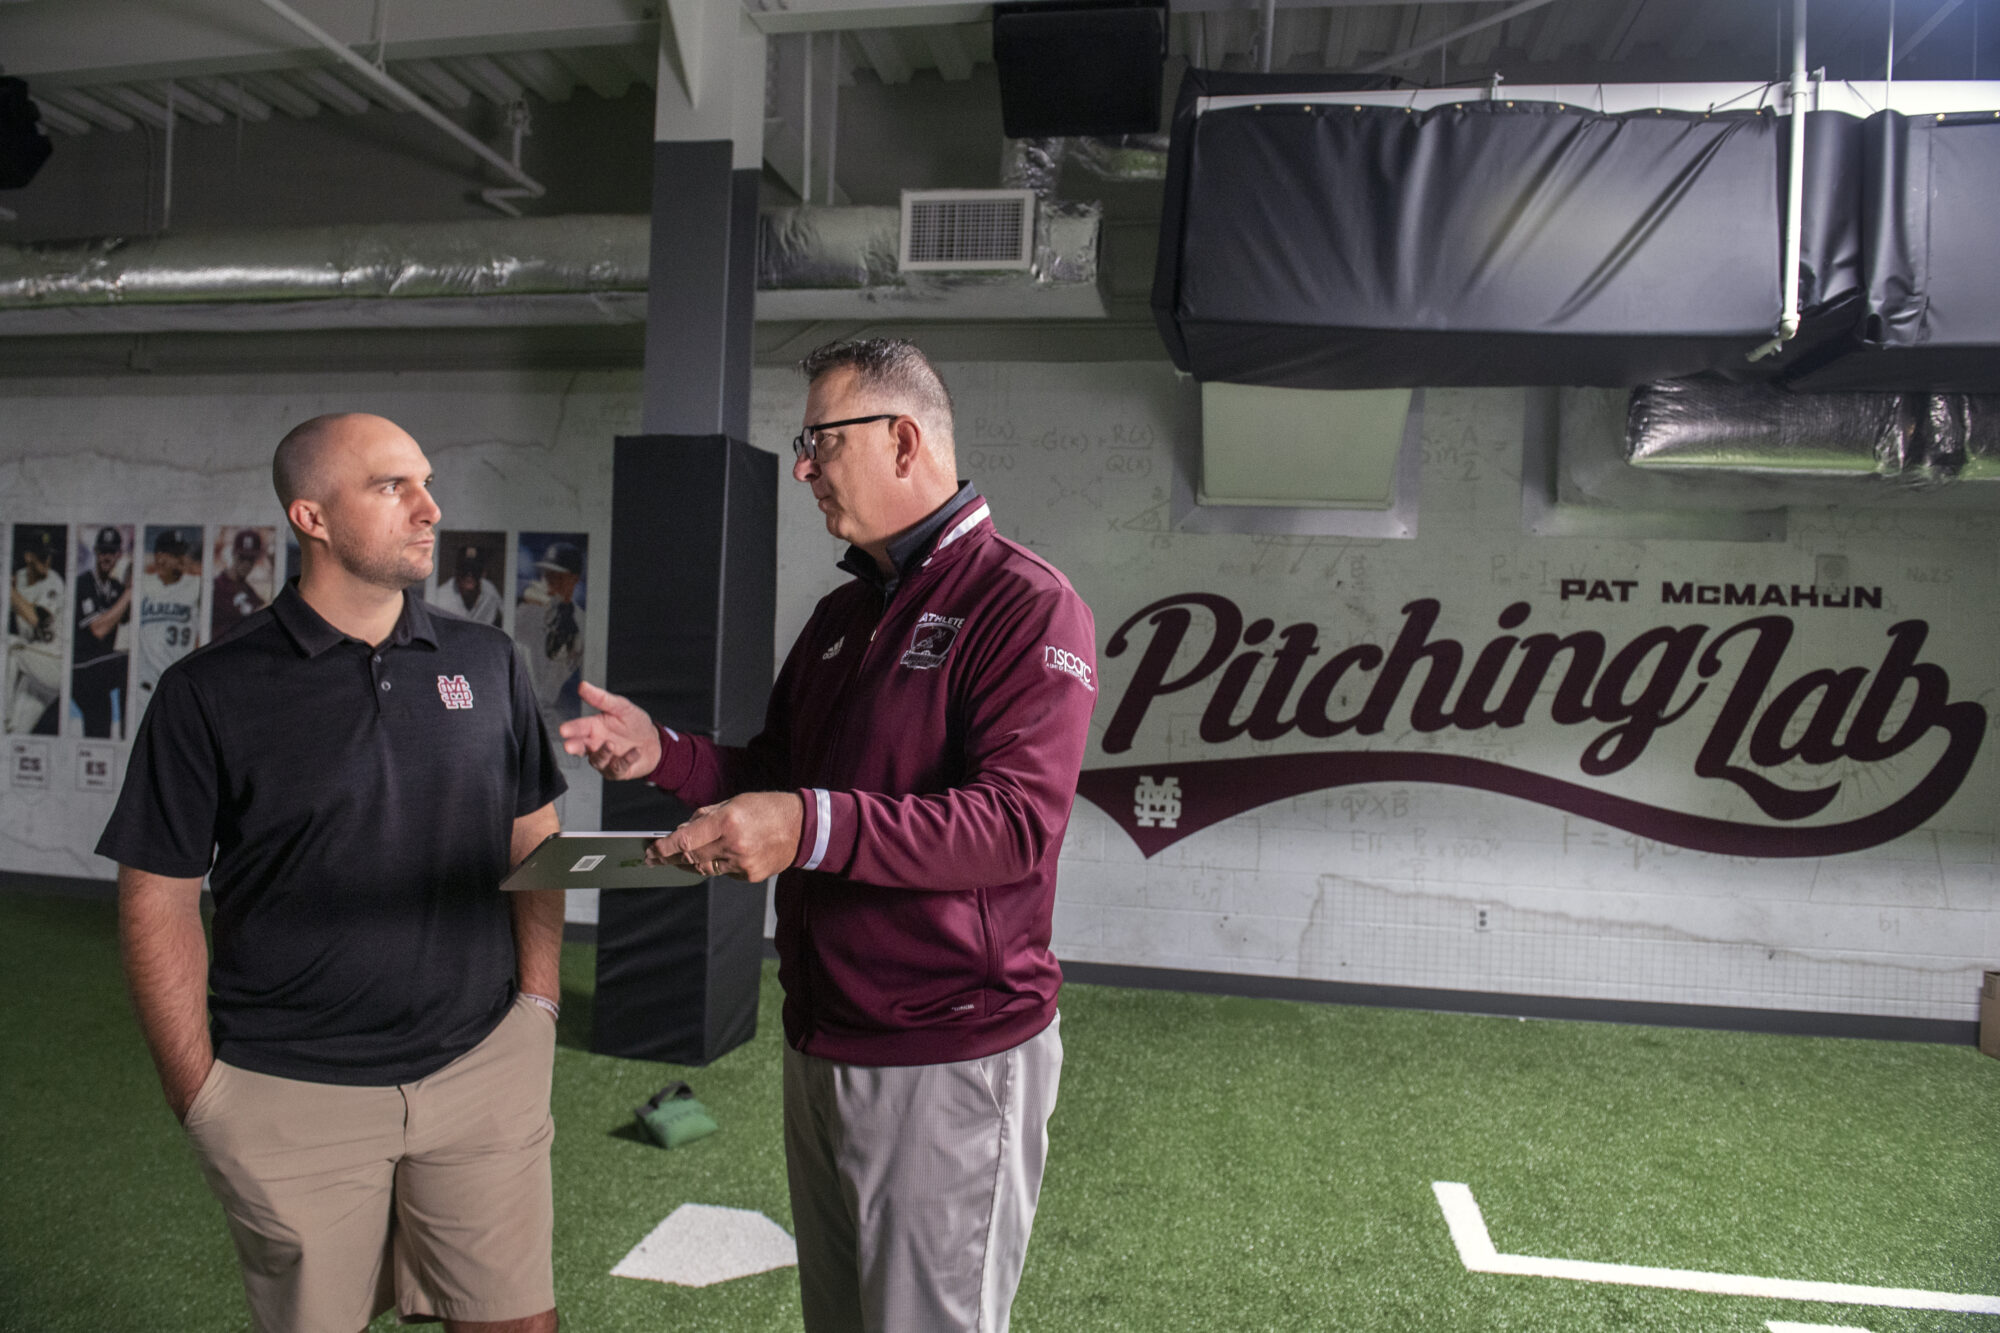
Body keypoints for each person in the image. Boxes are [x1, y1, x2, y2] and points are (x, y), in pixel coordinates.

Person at [560, 338, 1098, 1332]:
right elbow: (775, 776)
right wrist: (661, 755)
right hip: (822, 1039)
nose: (800, 468)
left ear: (901, 440)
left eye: (818, 442)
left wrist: (805, 823)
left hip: (948, 1055)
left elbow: (1013, 825)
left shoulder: (1023, 602)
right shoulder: (842, 614)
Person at [97, 413, 568, 1333]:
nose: (430, 507)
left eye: (426, 481)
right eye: (393, 486)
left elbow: (530, 834)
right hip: (289, 1086)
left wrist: (538, 1008)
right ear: (310, 516)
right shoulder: (209, 690)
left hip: (481, 1067)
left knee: (517, 1322)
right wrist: (200, 1091)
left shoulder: (488, 662)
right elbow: (157, 900)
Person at [132, 527, 202, 722]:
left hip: (178, 689)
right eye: (174, 554)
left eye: (181, 553)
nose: (180, 559)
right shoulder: (143, 583)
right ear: (159, 557)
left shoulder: (197, 585)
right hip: (144, 690)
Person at [513, 540, 585, 729]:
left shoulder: (582, 622)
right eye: (546, 574)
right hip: (516, 707)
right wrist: (547, 602)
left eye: (557, 576)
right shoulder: (528, 610)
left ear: (574, 579)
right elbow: (513, 591)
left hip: (551, 716)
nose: (549, 581)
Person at [71, 525, 133, 738]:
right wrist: (129, 593)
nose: (107, 556)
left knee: (100, 736)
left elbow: (131, 619)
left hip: (99, 672)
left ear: (119, 555)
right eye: (103, 550)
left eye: (112, 551)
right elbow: (99, 629)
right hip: (80, 668)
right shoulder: (83, 583)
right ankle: (130, 732)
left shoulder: (116, 587)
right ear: (96, 551)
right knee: (127, 663)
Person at [6, 528, 64, 735]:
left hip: (53, 665)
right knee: (13, 733)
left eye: (49, 555)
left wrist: (8, 589)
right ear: (28, 556)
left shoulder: (53, 582)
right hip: (33, 671)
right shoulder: (18, 578)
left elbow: (36, 619)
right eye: (42, 555)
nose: (47, 560)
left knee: (8, 646)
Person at [211, 526, 268, 637]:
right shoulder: (216, 587)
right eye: (242, 557)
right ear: (233, 554)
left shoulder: (251, 594)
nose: (246, 564)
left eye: (250, 559)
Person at [433, 544, 503, 626]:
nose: (469, 574)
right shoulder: (440, 598)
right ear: (456, 571)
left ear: (483, 573)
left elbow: (506, 616)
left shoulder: (490, 591)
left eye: (475, 569)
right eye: (464, 569)